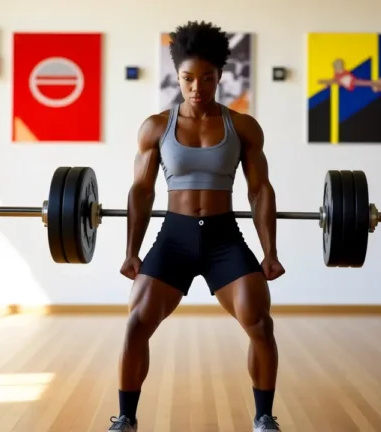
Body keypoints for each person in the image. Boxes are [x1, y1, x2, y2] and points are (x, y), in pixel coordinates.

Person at [107, 20, 284, 432]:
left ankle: (263, 417)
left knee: (260, 322)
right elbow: (141, 191)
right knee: (136, 323)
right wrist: (131, 252)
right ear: (177, 76)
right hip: (175, 238)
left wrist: (270, 252)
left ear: (219, 76)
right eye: (188, 78)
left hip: (224, 238)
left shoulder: (242, 127)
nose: (196, 87)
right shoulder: (156, 127)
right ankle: (126, 419)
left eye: (206, 78)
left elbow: (259, 191)